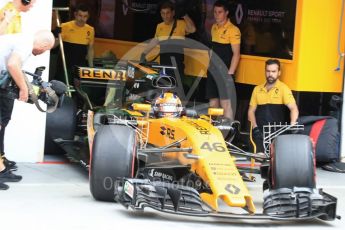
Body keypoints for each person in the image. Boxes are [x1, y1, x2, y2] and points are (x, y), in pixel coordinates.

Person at [0, 30, 55, 190]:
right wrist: (24, 89)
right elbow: (12, 65)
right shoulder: (26, 43)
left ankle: (2, 167)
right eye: (45, 50)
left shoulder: (21, 40)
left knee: (2, 125)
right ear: (44, 45)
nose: (41, 53)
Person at [247, 59, 299, 153]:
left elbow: (293, 108)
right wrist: (255, 128)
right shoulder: (257, 89)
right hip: (260, 133)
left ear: (279, 73)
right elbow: (251, 111)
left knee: (275, 159)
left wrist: (293, 123)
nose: (270, 74)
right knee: (259, 158)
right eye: (268, 71)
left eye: (273, 71)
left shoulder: (284, 89)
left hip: (277, 133)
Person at [140, 1, 196, 82]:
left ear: (173, 13)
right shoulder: (160, 26)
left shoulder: (181, 24)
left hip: (176, 65)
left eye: (168, 13)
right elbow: (155, 41)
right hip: (164, 64)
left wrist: (185, 15)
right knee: (163, 90)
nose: (165, 16)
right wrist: (144, 53)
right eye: (163, 13)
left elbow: (193, 29)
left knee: (176, 90)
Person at [206, 0, 241, 120]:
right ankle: (213, 133)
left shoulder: (234, 30)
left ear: (226, 13)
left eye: (220, 12)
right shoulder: (214, 27)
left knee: (226, 104)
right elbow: (213, 48)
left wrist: (230, 73)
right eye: (215, 12)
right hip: (212, 70)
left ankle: (228, 134)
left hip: (225, 71)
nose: (216, 15)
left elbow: (236, 54)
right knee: (213, 104)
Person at [56, 3, 94, 86]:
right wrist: (57, 36)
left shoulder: (90, 30)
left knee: (78, 91)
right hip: (65, 64)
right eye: (80, 15)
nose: (82, 19)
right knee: (62, 88)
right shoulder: (65, 26)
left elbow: (90, 49)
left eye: (85, 16)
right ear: (75, 15)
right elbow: (54, 45)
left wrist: (91, 68)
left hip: (79, 66)